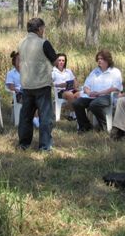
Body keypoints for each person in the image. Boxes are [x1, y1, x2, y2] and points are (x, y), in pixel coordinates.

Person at [17, 17, 58, 151]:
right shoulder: (44, 43)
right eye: (43, 29)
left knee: (26, 117)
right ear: (39, 29)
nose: (43, 31)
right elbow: (56, 61)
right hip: (42, 85)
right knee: (45, 118)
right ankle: (45, 146)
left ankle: (23, 144)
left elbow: (18, 63)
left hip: (26, 85)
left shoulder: (21, 43)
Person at [72, 49, 123, 133]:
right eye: (98, 59)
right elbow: (86, 86)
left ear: (107, 60)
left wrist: (99, 93)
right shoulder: (95, 71)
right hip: (92, 96)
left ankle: (104, 125)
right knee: (77, 103)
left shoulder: (115, 72)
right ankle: (85, 126)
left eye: (101, 59)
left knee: (94, 104)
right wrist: (89, 92)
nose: (99, 60)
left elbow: (115, 88)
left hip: (106, 96)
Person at [52, 53, 80, 118]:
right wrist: (60, 85)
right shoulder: (53, 72)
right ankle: (73, 114)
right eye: (59, 60)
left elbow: (74, 79)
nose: (61, 62)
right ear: (56, 61)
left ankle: (71, 112)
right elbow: (50, 83)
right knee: (69, 94)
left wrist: (75, 84)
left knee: (79, 94)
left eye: (63, 60)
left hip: (71, 89)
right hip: (60, 91)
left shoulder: (68, 71)